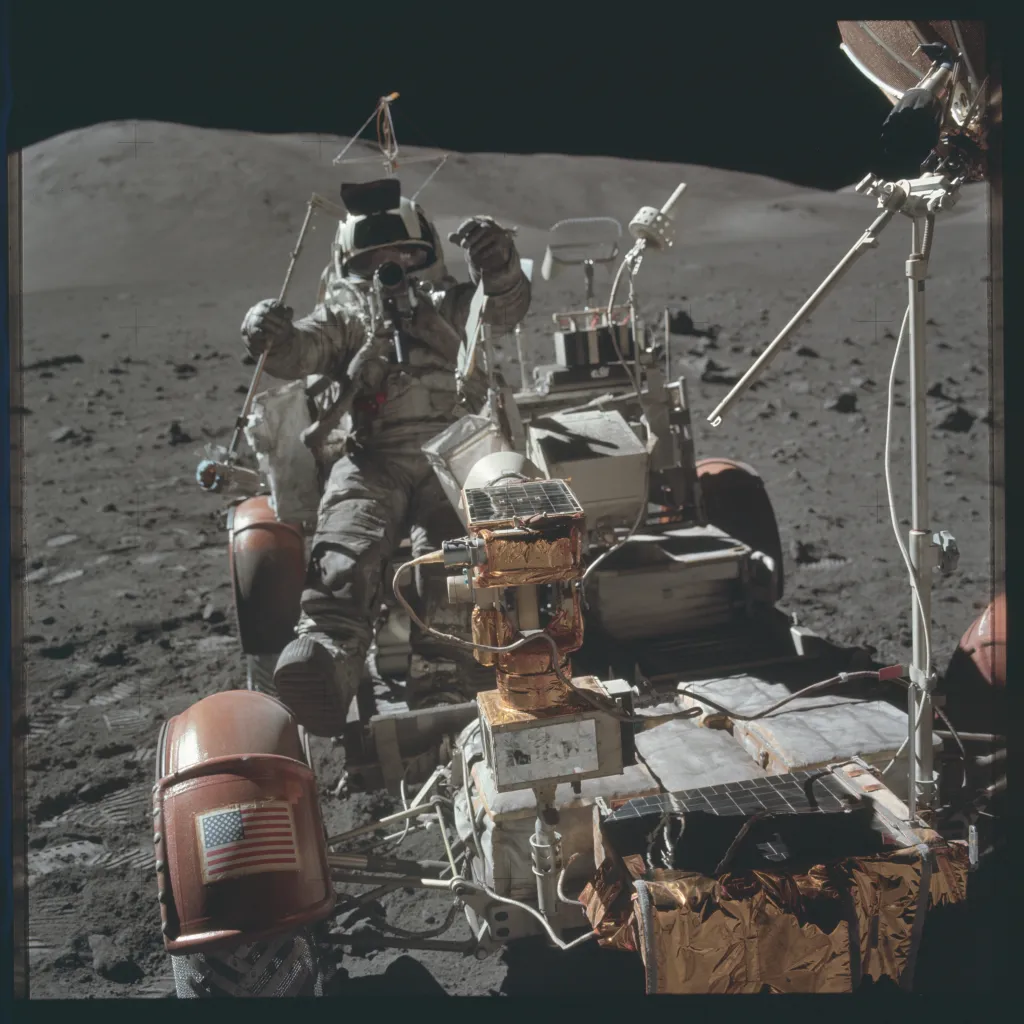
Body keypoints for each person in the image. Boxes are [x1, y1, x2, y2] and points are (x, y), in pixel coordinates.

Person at [240, 178, 531, 735]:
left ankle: (446, 670)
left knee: (453, 561)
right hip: (372, 456)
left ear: (425, 256)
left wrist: (499, 264)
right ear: (353, 265)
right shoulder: (347, 318)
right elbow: (302, 348)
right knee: (345, 551)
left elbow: (506, 307)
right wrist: (269, 334)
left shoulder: (455, 304)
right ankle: (328, 659)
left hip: (456, 450)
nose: (390, 265)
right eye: (374, 257)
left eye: (402, 253)